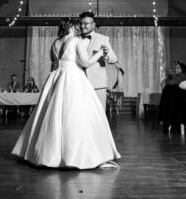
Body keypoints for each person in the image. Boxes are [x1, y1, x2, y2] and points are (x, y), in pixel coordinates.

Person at [12, 17, 120, 169]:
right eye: (76, 26)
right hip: (73, 79)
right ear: (71, 27)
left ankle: (48, 153)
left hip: (57, 78)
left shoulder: (54, 43)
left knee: (53, 115)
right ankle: (79, 154)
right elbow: (86, 62)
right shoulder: (76, 41)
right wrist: (100, 52)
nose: (79, 28)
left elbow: (54, 62)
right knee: (76, 115)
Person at [78, 11, 117, 110]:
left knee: (99, 114)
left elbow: (114, 59)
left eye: (85, 23)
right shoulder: (75, 39)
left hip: (98, 84)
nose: (82, 26)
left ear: (93, 25)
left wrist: (106, 55)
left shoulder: (103, 39)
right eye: (81, 23)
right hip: (79, 82)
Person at [158, 62, 186, 133]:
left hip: (182, 99)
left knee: (167, 91)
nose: (176, 69)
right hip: (177, 98)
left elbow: (171, 83)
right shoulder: (177, 76)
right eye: (175, 68)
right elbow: (171, 82)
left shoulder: (183, 76)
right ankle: (165, 120)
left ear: (182, 69)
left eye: (178, 68)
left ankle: (164, 119)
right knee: (167, 93)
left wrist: (165, 81)